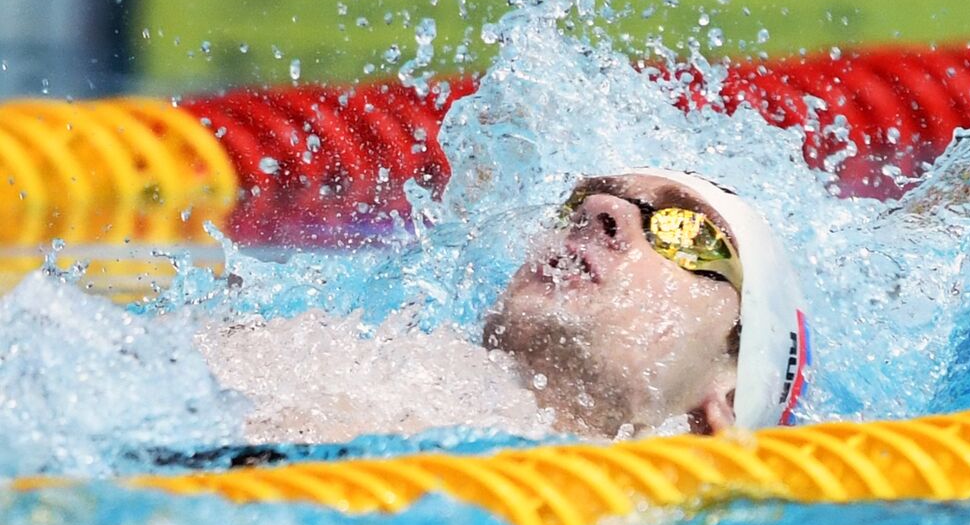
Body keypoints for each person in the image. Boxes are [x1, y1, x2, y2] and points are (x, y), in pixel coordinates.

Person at [196, 168, 810, 445]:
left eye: (685, 233)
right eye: (582, 204)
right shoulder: (326, 360)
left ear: (725, 401)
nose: (601, 214)